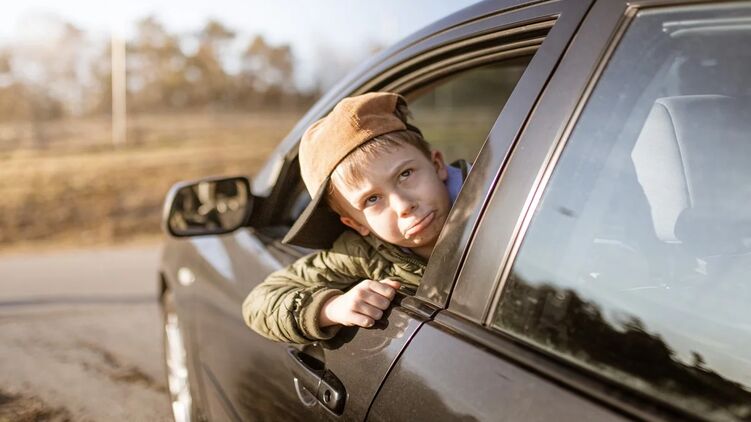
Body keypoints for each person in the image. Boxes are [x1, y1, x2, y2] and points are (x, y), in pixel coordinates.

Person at [242, 92, 468, 344]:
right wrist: (330, 308)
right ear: (356, 224)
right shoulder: (361, 253)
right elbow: (259, 302)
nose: (403, 205)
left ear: (437, 165)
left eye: (405, 174)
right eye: (372, 199)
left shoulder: (494, 198)